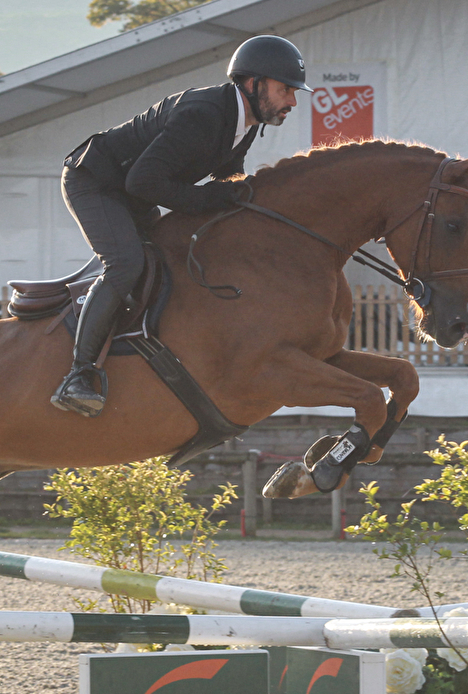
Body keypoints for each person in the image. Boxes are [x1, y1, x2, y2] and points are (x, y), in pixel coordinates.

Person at [50, 36, 310, 417]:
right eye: (285, 89)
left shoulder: (247, 122)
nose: (292, 102)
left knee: (171, 258)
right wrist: (219, 199)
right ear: (253, 85)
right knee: (126, 264)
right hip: (95, 181)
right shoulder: (203, 114)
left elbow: (227, 180)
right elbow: (144, 182)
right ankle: (77, 375)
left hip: (131, 189)